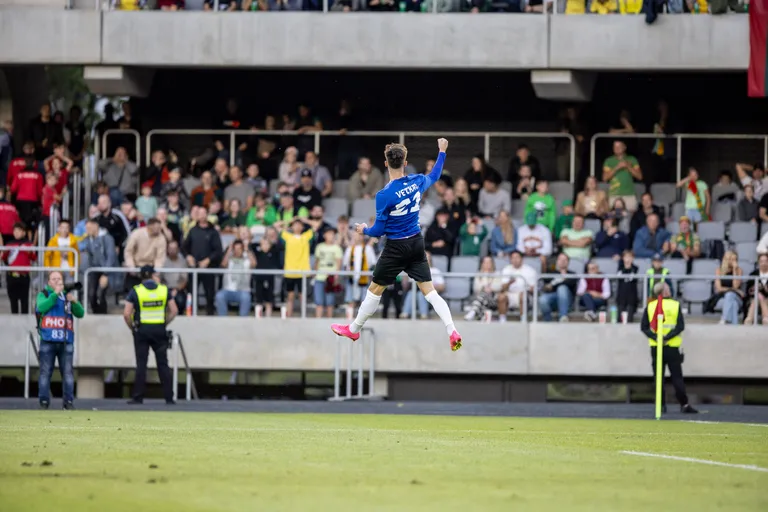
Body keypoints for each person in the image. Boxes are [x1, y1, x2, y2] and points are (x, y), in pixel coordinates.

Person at [331, 139, 462, 350]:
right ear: (405, 162)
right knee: (430, 292)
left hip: (395, 247)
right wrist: (442, 151)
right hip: (417, 242)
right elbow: (436, 175)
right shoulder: (417, 180)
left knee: (375, 290)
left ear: (385, 164)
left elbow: (378, 231)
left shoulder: (384, 195)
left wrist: (363, 229)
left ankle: (354, 330)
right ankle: (451, 329)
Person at [123, 265, 178, 405]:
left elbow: (126, 314)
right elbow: (174, 310)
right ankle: (169, 398)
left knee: (141, 364)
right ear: (153, 275)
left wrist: (133, 328)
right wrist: (164, 323)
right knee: (163, 364)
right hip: (159, 330)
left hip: (142, 331)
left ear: (141, 277)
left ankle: (138, 397)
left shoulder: (136, 291)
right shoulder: (164, 290)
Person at [640, 282, 698, 414]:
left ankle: (661, 406)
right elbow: (680, 326)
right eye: (667, 288)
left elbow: (644, 327)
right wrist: (668, 338)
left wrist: (656, 338)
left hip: (656, 347)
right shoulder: (675, 305)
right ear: (664, 292)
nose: (670, 290)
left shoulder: (650, 306)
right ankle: (684, 404)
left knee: (658, 378)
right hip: (672, 347)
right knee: (677, 377)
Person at [35, 271, 84, 410]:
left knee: (68, 373)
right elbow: (41, 307)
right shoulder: (43, 294)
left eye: (59, 279)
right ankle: (44, 401)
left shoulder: (67, 296)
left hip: (66, 341)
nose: (57, 281)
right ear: (49, 282)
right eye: (54, 279)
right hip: (48, 340)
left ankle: (68, 402)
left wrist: (74, 301)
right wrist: (55, 294)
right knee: (45, 373)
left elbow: (80, 314)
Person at [1, 223, 36, 314]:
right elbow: (4, 258)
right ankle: (14, 323)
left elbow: (34, 258)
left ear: (24, 233)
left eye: (19, 231)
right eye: (15, 231)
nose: (16, 233)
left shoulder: (28, 245)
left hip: (24, 276)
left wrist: (29, 252)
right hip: (11, 276)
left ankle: (25, 325)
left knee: (24, 302)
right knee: (13, 301)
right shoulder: (9, 244)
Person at [401, 252, 444, 319]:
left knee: (421, 294)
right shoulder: (413, 270)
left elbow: (442, 287)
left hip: (429, 294)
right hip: (414, 292)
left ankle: (424, 315)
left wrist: (428, 286)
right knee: (411, 293)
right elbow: (405, 287)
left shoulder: (435, 271)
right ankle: (405, 314)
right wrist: (406, 275)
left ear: (430, 259)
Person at [497, 251, 538, 322]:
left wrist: (529, 289)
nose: (515, 260)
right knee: (501, 297)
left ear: (522, 259)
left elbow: (533, 288)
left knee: (523, 296)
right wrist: (509, 283)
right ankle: (502, 320)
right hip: (510, 294)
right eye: (513, 258)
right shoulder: (506, 269)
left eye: (517, 257)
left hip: (525, 295)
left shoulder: (530, 270)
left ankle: (523, 319)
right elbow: (502, 289)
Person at [602, 140, 642, 213]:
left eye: (619, 146)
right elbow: (605, 178)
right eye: (615, 147)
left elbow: (639, 177)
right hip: (614, 194)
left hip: (629, 194)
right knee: (613, 217)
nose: (617, 148)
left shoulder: (632, 159)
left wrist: (628, 167)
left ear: (624, 147)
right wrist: (617, 167)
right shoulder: (609, 161)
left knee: (630, 217)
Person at [538, 253, 577, 322]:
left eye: (565, 260)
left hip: (568, 300)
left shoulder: (572, 274)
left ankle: (563, 317)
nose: (562, 261)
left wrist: (553, 285)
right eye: (560, 259)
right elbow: (545, 287)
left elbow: (570, 284)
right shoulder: (551, 273)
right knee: (542, 299)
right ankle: (547, 319)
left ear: (568, 262)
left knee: (562, 288)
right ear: (557, 261)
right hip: (553, 299)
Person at [706, 250, 743, 325]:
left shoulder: (739, 270)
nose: (733, 262)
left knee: (730, 295)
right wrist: (734, 290)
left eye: (735, 260)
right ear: (726, 259)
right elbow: (719, 288)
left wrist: (734, 270)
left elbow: (736, 285)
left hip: (737, 297)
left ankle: (724, 319)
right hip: (722, 296)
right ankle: (734, 326)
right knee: (733, 304)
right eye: (732, 259)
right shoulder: (719, 270)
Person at [313, 228, 343, 318]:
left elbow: (339, 263)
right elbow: (317, 262)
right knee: (319, 302)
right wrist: (315, 273)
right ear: (324, 235)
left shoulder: (337, 248)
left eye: (332, 234)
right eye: (329, 233)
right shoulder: (319, 247)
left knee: (330, 302)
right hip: (319, 277)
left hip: (331, 278)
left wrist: (336, 277)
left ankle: (329, 323)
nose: (331, 236)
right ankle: (318, 322)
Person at [464, 256, 505, 321]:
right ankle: (482, 316)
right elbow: (475, 288)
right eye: (485, 262)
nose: (487, 264)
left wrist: (490, 288)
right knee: (483, 295)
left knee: (484, 294)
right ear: (482, 264)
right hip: (482, 299)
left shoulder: (497, 273)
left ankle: (473, 311)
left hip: (493, 300)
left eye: (489, 262)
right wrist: (484, 287)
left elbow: (499, 286)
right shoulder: (479, 274)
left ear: (492, 263)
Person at [744, 253, 768, 324]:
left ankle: (749, 318)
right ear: (758, 262)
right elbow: (748, 291)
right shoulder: (753, 274)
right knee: (758, 297)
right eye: (762, 261)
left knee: (760, 297)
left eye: (766, 261)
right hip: (754, 299)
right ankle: (766, 319)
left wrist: (765, 289)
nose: (764, 263)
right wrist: (755, 289)